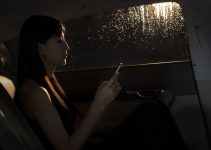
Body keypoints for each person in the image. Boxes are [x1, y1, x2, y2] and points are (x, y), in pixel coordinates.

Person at [16, 15, 188, 150]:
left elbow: (77, 126)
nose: (67, 47)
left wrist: (118, 122)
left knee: (151, 112)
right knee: (152, 112)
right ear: (40, 48)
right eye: (59, 40)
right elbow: (67, 147)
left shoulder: (49, 80)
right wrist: (99, 104)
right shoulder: (35, 92)